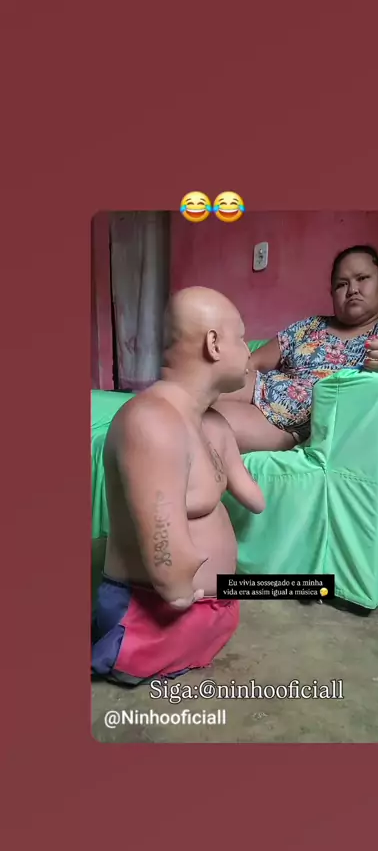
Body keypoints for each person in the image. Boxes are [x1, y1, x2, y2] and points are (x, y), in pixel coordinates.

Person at [92, 287, 266, 685]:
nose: (248, 351)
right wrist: (180, 592)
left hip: (213, 606)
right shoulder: (152, 422)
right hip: (156, 612)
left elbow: (254, 499)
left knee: (311, 587)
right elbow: (167, 566)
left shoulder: (211, 423)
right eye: (242, 338)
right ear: (214, 344)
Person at [213, 245, 378, 453]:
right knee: (197, 390)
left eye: (362, 278)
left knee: (206, 425)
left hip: (292, 423)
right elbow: (252, 362)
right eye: (342, 284)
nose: (352, 290)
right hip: (262, 386)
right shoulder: (310, 326)